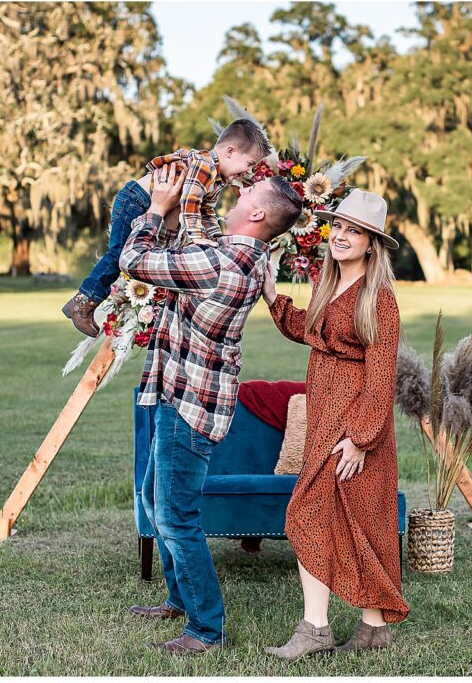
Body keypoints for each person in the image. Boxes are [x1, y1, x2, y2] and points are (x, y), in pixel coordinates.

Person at [120, 163, 302, 655]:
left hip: (188, 409)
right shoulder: (238, 256)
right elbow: (202, 229)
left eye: (250, 190)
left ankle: (205, 628)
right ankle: (180, 598)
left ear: (259, 211)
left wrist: (156, 209)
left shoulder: (218, 264)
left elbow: (134, 259)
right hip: (181, 395)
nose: (242, 192)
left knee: (177, 516)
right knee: (156, 500)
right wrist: (203, 178)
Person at [261, 188, 411, 660]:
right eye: (339, 227)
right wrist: (271, 295)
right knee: (350, 520)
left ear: (372, 243)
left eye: (355, 231)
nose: (342, 236)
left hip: (355, 426)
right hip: (326, 417)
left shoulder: (378, 298)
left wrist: (362, 440)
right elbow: (309, 328)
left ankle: (316, 629)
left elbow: (382, 372)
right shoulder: (330, 286)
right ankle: (372, 628)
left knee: (313, 514)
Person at [62, 119, 272, 336]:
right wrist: (198, 236)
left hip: (146, 202)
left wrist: (216, 239)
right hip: (136, 200)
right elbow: (190, 203)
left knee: (135, 253)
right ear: (230, 151)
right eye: (249, 164)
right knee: (119, 254)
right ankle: (82, 303)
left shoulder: (216, 178)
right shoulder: (204, 166)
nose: (247, 172)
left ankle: (82, 302)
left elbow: (205, 211)